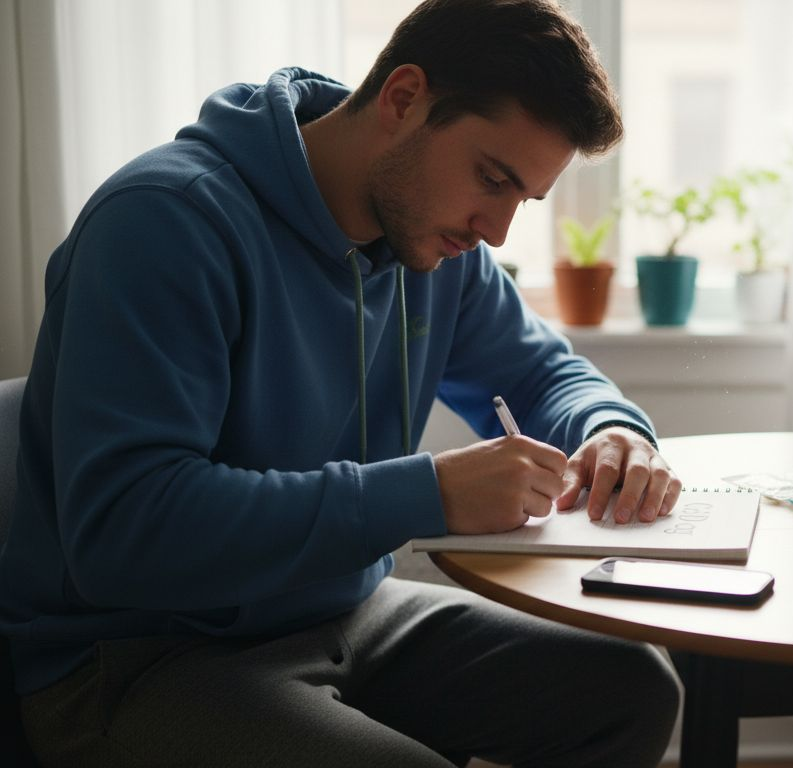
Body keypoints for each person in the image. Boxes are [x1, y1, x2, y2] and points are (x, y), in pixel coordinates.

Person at [0, 0, 685, 765]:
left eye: (520, 198)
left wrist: (609, 429)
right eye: (491, 179)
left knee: (631, 687)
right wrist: (429, 493)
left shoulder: (435, 245)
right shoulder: (164, 222)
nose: (495, 230)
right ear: (402, 99)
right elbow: (125, 532)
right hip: (133, 655)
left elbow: (542, 371)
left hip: (340, 613)